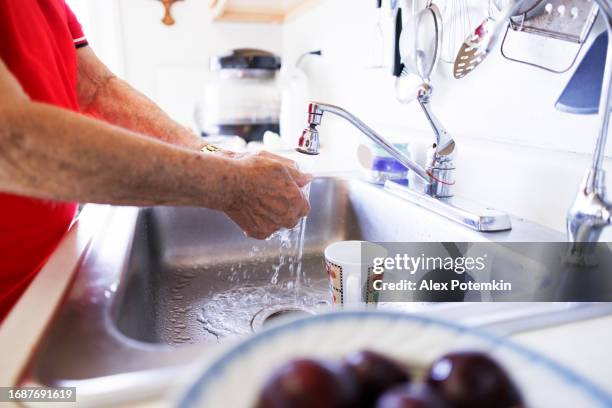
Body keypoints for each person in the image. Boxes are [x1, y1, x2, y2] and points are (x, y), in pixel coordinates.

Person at [0, 1, 311, 322]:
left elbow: (98, 89)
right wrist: (231, 184)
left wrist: (217, 156)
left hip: (43, 278)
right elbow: (11, 139)